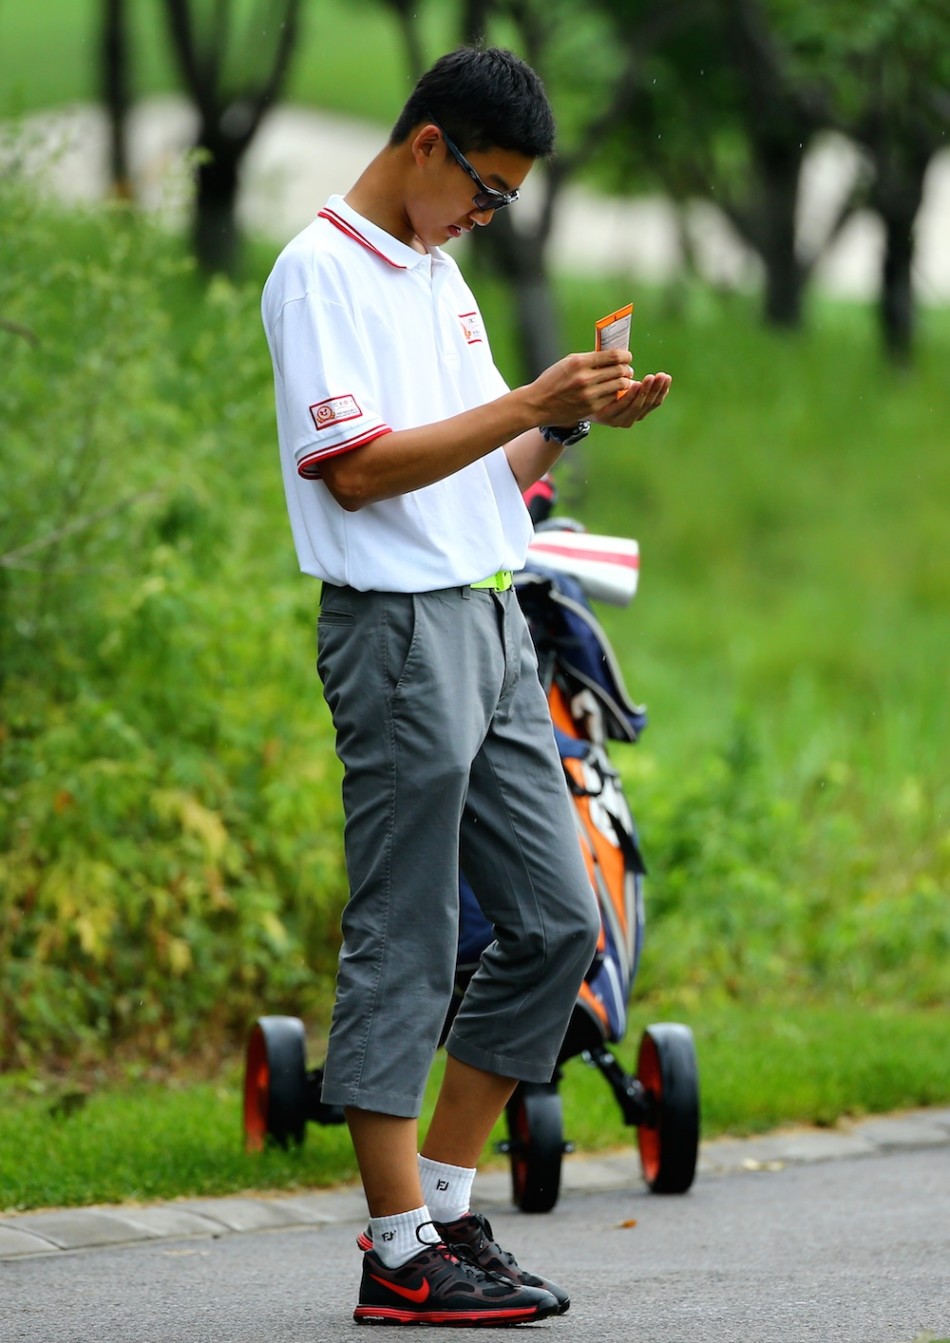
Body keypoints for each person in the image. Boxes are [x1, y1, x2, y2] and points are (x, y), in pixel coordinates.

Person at [261, 45, 671, 1327]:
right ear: (426, 144)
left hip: (492, 616)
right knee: (407, 928)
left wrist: (573, 414)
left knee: (555, 922)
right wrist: (524, 403)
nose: (485, 217)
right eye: (484, 190)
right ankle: (396, 1251)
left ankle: (441, 1210)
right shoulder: (320, 270)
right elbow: (357, 471)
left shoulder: (438, 275)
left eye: (504, 203)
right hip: (396, 632)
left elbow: (487, 468)